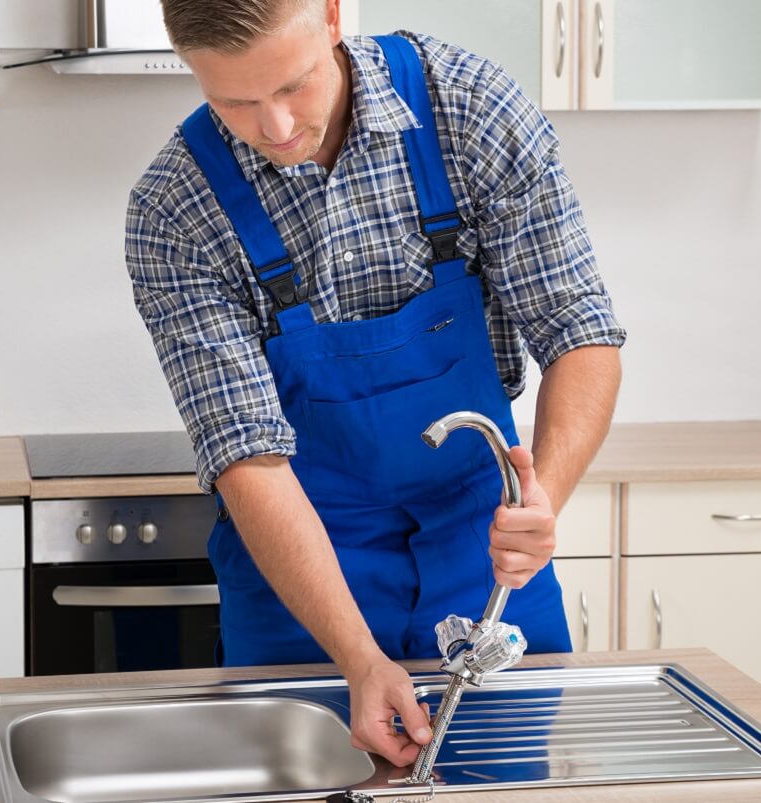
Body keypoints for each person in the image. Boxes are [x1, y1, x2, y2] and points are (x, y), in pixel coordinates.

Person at [124, 0, 626, 769]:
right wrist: (358, 659)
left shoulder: (469, 110)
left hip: (485, 554)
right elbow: (247, 455)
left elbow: (579, 331)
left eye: (294, 85)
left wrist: (543, 498)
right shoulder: (176, 209)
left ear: (330, 16)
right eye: (234, 103)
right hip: (302, 585)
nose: (278, 127)